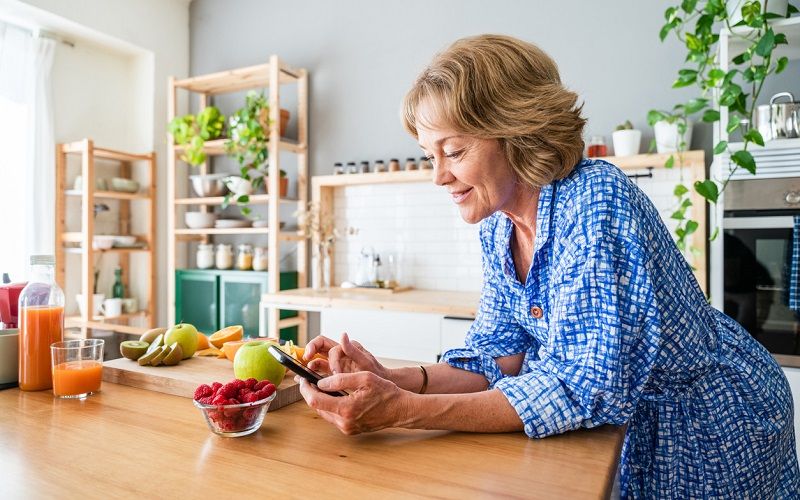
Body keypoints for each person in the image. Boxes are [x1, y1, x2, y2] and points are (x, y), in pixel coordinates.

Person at [295, 34, 800, 498]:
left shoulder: (596, 201)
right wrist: (395, 379)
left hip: (711, 424)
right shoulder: (499, 226)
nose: (439, 176)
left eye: (454, 151)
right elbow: (499, 358)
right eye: (430, 155)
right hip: (627, 431)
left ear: (516, 131)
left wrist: (404, 411)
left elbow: (584, 386)